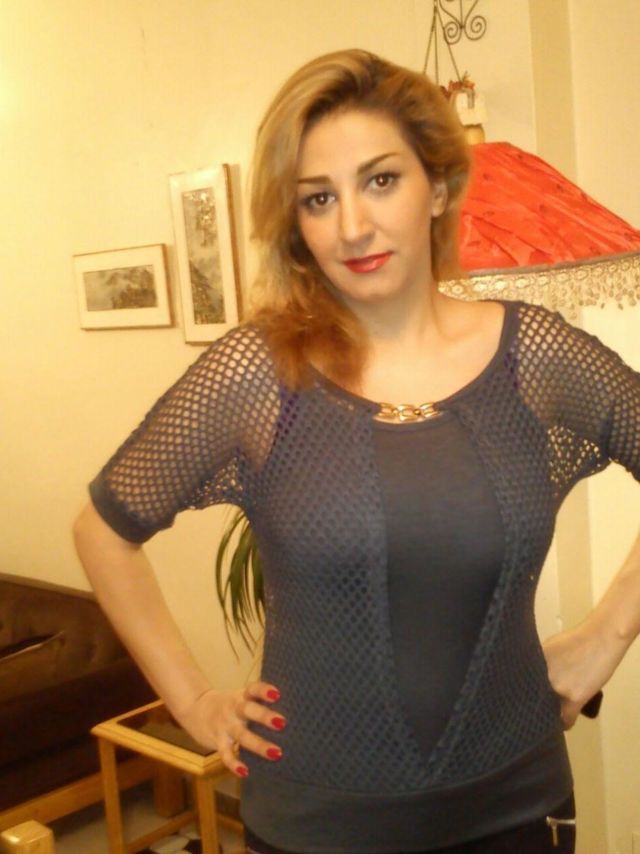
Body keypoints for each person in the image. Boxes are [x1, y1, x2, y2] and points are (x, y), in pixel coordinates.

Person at [73, 49, 640, 854]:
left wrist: (604, 636)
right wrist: (194, 701)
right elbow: (102, 532)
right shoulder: (258, 376)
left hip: (515, 804)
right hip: (316, 824)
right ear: (296, 224)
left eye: (380, 180)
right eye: (318, 197)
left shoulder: (535, 357)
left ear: (436, 187)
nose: (351, 226)